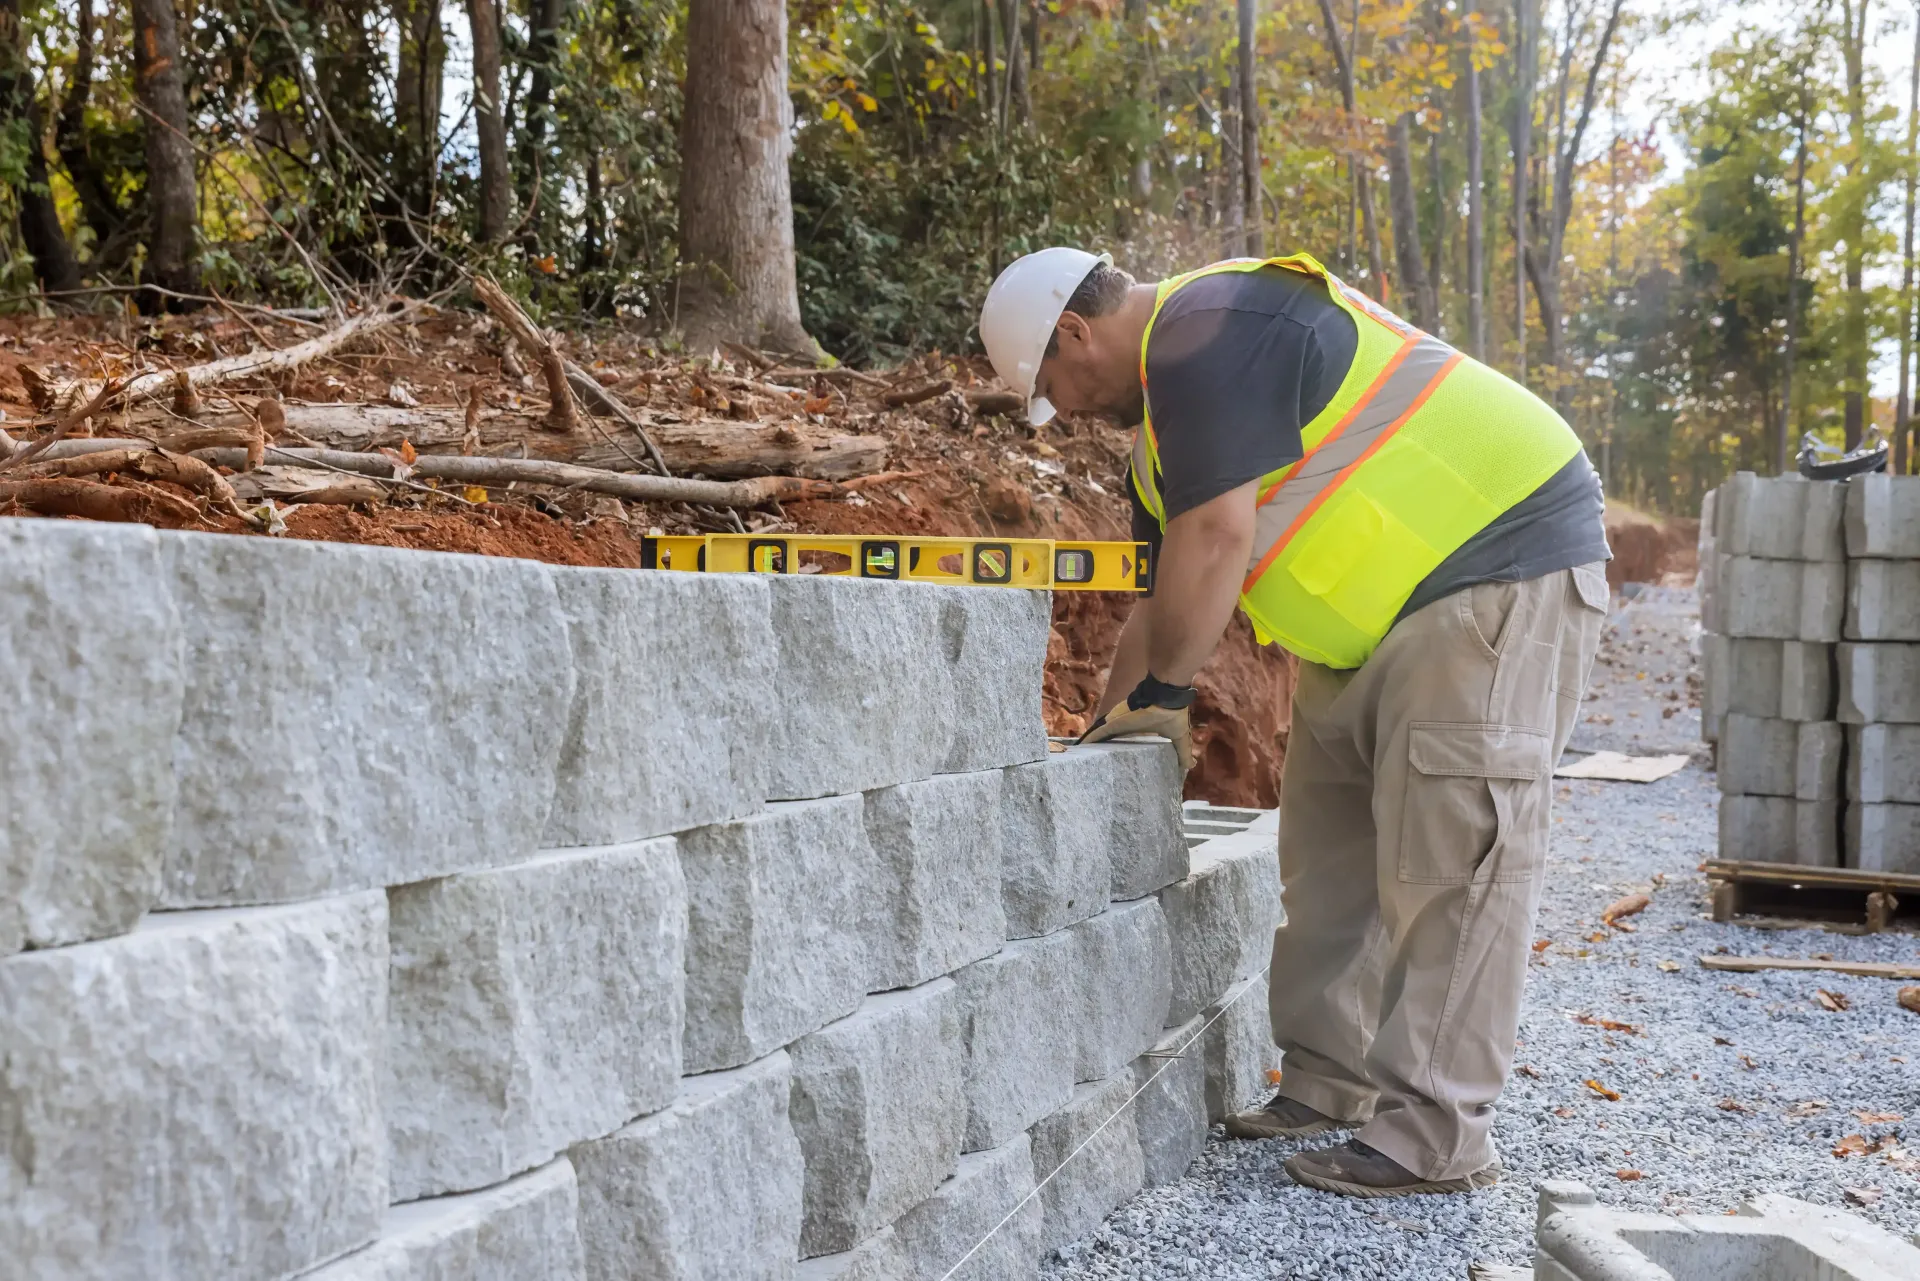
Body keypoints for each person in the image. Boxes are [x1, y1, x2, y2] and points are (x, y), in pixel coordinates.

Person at [976, 248, 1609, 1198]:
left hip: (1496, 561)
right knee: (1328, 857)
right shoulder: (1162, 438)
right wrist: (1111, 727)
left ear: (1074, 332)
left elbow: (1220, 539)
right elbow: (1161, 602)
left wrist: (1170, 697)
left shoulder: (1211, 327)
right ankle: (1331, 1082)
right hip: (1369, 624)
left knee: (1452, 863)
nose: (1062, 409)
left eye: (1053, 386)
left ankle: (1431, 1134)